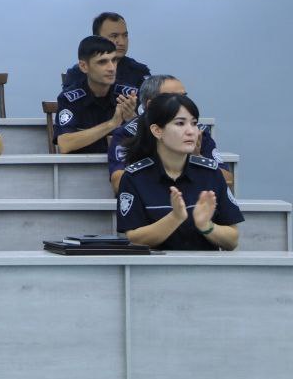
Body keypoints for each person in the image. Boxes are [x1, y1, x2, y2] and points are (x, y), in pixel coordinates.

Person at [116, 92, 242, 250]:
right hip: (155, 265)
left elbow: (233, 240)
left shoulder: (211, 173)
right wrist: (175, 218)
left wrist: (206, 226)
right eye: (180, 123)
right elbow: (135, 238)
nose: (191, 131)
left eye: (194, 123)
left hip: (205, 265)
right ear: (157, 130)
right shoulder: (134, 177)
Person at [108, 75, 230, 192]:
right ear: (151, 105)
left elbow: (228, 179)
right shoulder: (128, 133)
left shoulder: (197, 132)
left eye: (184, 97)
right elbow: (118, 183)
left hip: (193, 199)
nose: (182, 103)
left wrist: (196, 159)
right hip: (150, 200)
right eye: (173, 98)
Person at [54, 36, 139, 154]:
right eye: (102, 62)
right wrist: (112, 124)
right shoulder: (70, 98)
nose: (111, 68)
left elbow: (152, 142)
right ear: (84, 66)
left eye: (114, 60)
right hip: (82, 164)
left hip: (122, 163)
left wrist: (133, 119)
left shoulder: (129, 95)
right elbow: (65, 145)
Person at [63, 12, 151, 90]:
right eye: (114, 36)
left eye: (125, 35)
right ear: (97, 39)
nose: (122, 42)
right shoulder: (77, 73)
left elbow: (148, 101)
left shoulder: (140, 72)